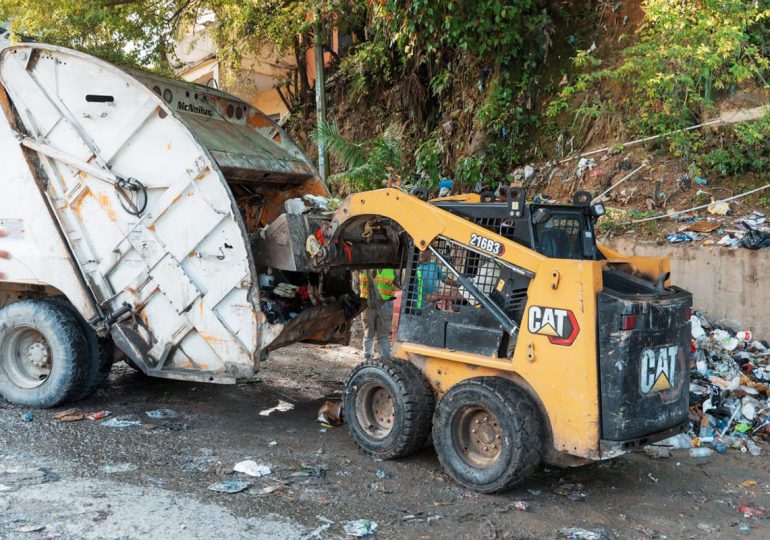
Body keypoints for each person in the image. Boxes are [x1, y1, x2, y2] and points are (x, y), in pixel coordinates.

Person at [358, 268, 399, 360]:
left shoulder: (390, 270)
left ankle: (385, 358)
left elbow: (400, 286)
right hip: (368, 305)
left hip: (385, 304)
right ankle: (367, 357)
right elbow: (356, 286)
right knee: (369, 333)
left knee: (383, 335)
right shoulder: (362, 268)